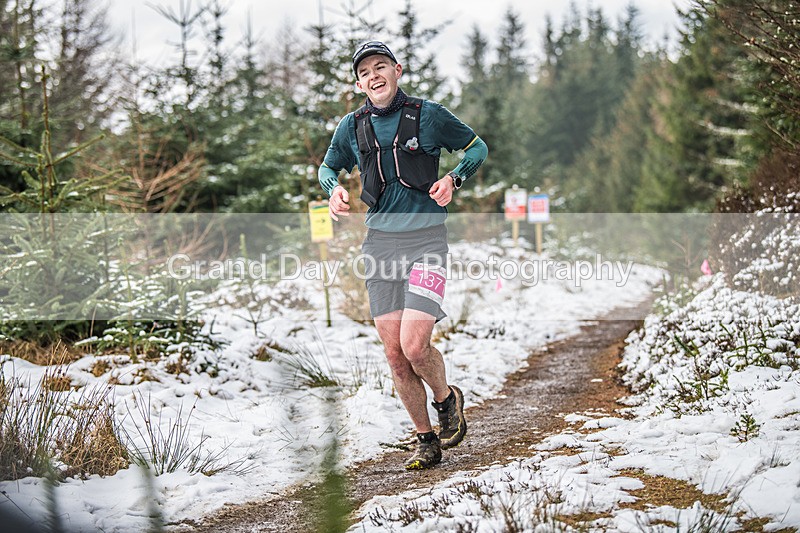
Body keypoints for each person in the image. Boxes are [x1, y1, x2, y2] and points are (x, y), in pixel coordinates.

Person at [318, 40, 488, 470]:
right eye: (364, 72)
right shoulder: (350, 127)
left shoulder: (427, 116)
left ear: (397, 70)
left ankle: (446, 399)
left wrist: (455, 178)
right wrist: (333, 189)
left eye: (380, 67)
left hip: (427, 242)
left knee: (415, 346)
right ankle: (424, 438)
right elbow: (327, 168)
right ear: (359, 83)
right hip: (379, 246)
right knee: (394, 353)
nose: (373, 76)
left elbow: (477, 148)